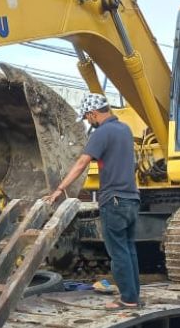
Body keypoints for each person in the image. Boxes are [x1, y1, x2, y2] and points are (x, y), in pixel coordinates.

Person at [44, 93, 141, 309]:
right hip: (132, 199)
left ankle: (128, 300)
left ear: (93, 113)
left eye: (88, 118)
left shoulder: (101, 132)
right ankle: (134, 296)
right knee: (129, 249)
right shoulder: (125, 130)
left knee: (117, 252)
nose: (89, 122)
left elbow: (81, 163)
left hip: (113, 200)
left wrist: (60, 188)